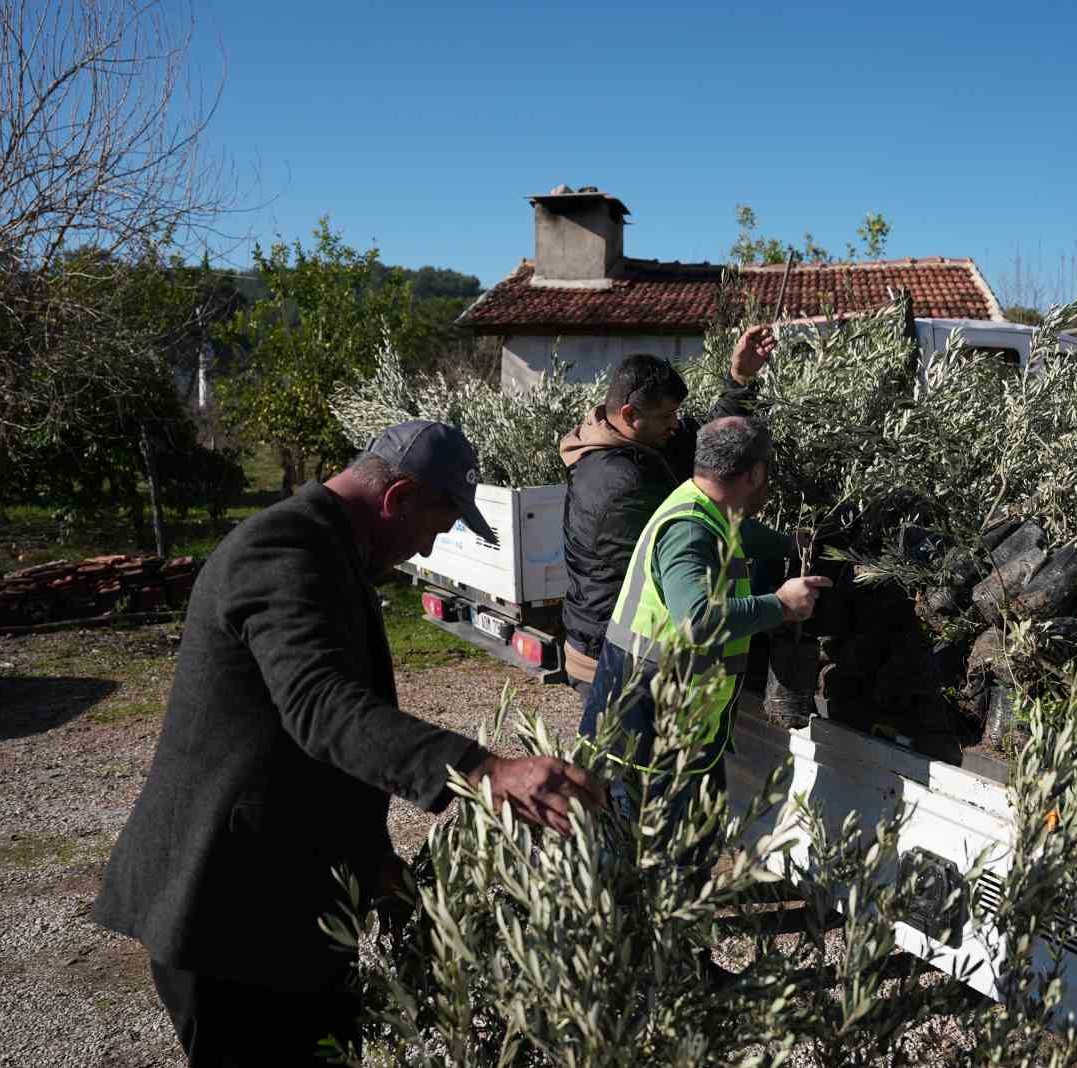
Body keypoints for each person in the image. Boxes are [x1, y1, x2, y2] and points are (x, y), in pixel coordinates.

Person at [93, 420, 606, 1067]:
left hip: (284, 903)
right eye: (437, 526)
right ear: (397, 499)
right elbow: (320, 707)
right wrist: (484, 770)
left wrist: (372, 859)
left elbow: (309, 748)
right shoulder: (281, 549)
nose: (427, 547)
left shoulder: (325, 547)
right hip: (230, 914)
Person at [578, 416, 830, 823]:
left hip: (679, 732)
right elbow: (695, 622)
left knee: (693, 855)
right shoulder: (690, 530)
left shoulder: (705, 506)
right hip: (648, 742)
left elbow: (740, 535)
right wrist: (780, 604)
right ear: (755, 474)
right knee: (649, 866)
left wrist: (789, 543)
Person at [559, 326, 777, 701]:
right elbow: (699, 528)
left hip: (626, 649)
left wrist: (740, 378)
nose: (675, 424)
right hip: (615, 657)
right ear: (629, 413)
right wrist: (780, 567)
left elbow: (709, 446)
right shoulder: (620, 483)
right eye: (667, 416)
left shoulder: (641, 441)